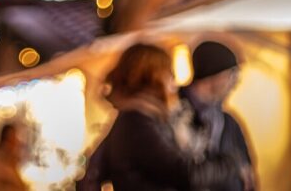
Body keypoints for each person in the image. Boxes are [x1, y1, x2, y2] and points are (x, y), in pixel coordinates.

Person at [77, 43, 241, 191]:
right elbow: (186, 174)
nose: (173, 82)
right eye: (169, 73)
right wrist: (231, 162)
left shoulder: (139, 117)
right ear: (153, 78)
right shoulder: (137, 122)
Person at [181, 41, 256, 191]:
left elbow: (249, 176)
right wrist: (234, 163)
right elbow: (183, 174)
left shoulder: (229, 122)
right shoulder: (175, 114)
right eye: (232, 74)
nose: (236, 83)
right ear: (216, 75)